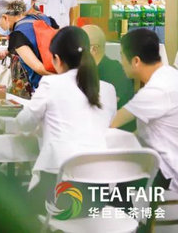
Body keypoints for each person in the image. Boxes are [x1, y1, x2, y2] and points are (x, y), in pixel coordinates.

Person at [15, 26, 117, 201]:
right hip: (99, 188)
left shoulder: (51, 84)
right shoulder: (108, 89)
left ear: (57, 59)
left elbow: (24, 123)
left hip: (59, 187)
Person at [111, 28, 178, 192]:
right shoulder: (170, 75)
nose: (120, 62)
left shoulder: (155, 91)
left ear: (136, 61)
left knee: (112, 177)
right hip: (166, 164)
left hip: (168, 174)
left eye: (121, 55)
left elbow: (112, 122)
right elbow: (145, 131)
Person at [82, 25, 135, 132]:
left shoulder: (115, 71)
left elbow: (104, 110)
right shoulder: (87, 70)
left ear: (93, 49)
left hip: (117, 134)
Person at [0, 0, 52, 91]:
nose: (0, 28)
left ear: (5, 17)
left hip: (44, 86)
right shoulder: (38, 18)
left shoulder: (16, 35)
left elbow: (39, 68)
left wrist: (64, 78)